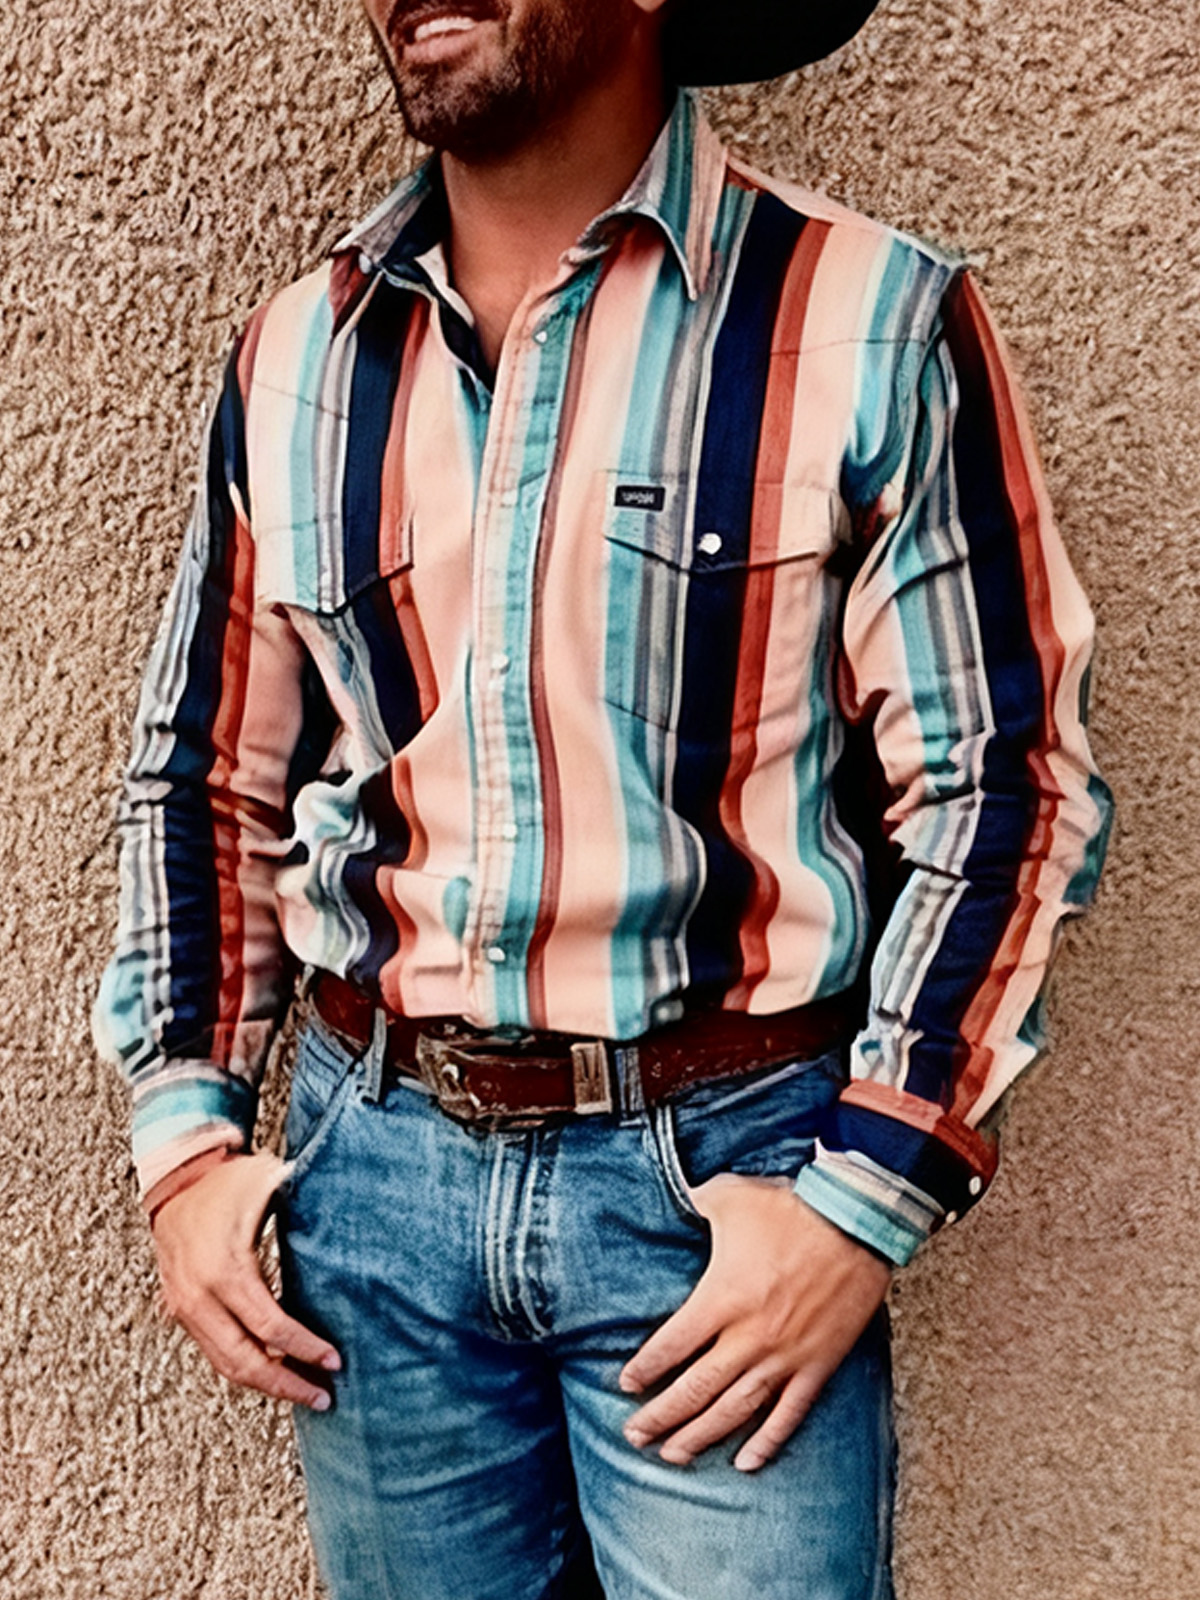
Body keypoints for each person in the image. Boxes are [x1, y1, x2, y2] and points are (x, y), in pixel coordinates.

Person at [94, 0, 1112, 1595]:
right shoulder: (299, 357)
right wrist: (185, 1139)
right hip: (371, 1198)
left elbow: (1006, 782)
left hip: (724, 1190)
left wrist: (863, 1199)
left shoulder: (866, 321)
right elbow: (205, 771)